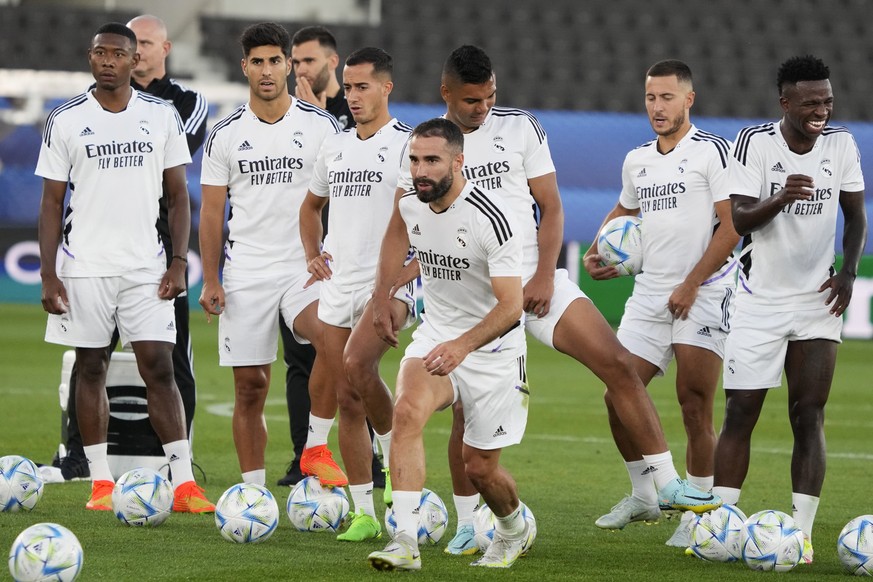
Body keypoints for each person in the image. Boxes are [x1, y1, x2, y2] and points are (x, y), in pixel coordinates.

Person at [395, 46, 721, 555]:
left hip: (531, 282)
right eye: (472, 100)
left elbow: (550, 205)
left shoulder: (522, 127)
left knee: (616, 363)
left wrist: (545, 274)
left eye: (490, 97)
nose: (483, 107)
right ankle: (466, 521)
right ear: (447, 95)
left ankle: (663, 482)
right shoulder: (428, 146)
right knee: (466, 410)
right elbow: (419, 224)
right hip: (471, 298)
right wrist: (395, 285)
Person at [36, 22, 213, 512]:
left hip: (145, 267)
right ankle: (99, 482)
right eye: (100, 52)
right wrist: (49, 274)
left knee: (160, 367)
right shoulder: (66, 118)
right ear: (90, 58)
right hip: (84, 266)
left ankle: (183, 484)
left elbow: (179, 198)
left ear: (136, 61)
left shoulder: (160, 116)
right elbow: (52, 203)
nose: (108, 60)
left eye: (118, 53)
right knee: (89, 367)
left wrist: (178, 262)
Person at [712, 55, 867, 564]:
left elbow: (855, 216)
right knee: (741, 412)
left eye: (826, 100)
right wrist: (779, 198)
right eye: (810, 102)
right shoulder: (755, 143)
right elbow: (738, 219)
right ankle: (721, 527)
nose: (822, 110)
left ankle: (800, 537)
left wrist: (848, 272)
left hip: (818, 301)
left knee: (808, 414)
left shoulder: (841, 144)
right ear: (786, 103)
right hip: (759, 301)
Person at [584, 60, 739, 547]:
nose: (657, 106)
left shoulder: (712, 151)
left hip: (704, 290)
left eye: (667, 97)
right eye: (651, 97)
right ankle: (644, 494)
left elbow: (732, 227)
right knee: (617, 394)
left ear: (688, 99)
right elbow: (624, 209)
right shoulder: (638, 160)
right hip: (650, 293)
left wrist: (693, 283)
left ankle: (698, 512)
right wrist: (596, 250)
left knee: (695, 405)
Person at [368, 118, 532, 571]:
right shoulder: (411, 203)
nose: (420, 170)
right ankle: (404, 540)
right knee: (406, 412)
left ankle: (514, 529)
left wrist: (463, 346)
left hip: (493, 350)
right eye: (415, 159)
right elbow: (394, 238)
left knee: (480, 470)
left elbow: (511, 306)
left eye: (432, 161)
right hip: (438, 335)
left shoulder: (492, 219)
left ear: (458, 162)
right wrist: (382, 296)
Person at [198, 22, 346, 488]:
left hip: (303, 266)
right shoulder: (223, 134)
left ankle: (315, 447)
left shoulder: (320, 125)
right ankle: (253, 493)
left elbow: (340, 198)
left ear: (288, 63)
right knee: (250, 388)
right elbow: (211, 212)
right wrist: (211, 278)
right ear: (244, 67)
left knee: (332, 340)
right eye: (256, 61)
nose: (266, 70)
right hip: (246, 271)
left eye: (275, 60)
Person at [299, 46, 415, 542]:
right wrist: (312, 253)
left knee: (355, 369)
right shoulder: (336, 145)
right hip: (339, 283)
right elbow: (310, 208)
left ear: (386, 88)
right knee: (347, 397)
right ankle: (364, 510)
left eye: (362, 86)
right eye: (347, 87)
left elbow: (428, 222)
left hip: (385, 286)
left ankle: (393, 460)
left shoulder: (410, 144)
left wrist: (401, 280)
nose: (352, 96)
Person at [275, 24, 363, 488]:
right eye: (295, 61)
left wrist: (321, 118)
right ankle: (303, 456)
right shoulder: (293, 118)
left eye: (307, 61)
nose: (299, 69)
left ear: (333, 61)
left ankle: (367, 460)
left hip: (349, 265)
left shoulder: (354, 119)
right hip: (304, 264)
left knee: (351, 358)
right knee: (301, 363)